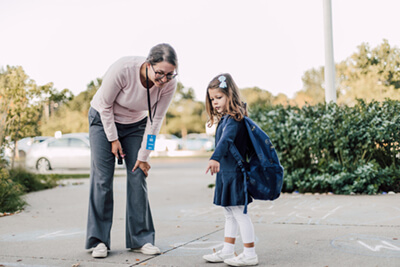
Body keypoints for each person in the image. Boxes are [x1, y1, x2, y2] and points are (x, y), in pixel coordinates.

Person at [85, 43, 178, 258]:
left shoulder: (169, 85)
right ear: (147, 64)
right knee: (102, 179)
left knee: (138, 175)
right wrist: (113, 139)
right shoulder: (123, 69)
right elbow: (105, 106)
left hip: (136, 125)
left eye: (170, 75)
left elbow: (156, 121)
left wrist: (145, 156)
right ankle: (98, 241)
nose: (163, 80)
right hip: (103, 120)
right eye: (160, 73)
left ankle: (141, 239)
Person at [203, 73, 259, 266]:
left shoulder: (235, 118)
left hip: (235, 173)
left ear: (230, 95)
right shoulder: (226, 118)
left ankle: (250, 254)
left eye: (219, 97)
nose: (215, 102)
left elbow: (226, 140)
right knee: (229, 212)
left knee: (239, 213)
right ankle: (228, 251)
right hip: (226, 173)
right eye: (212, 99)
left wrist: (215, 157)